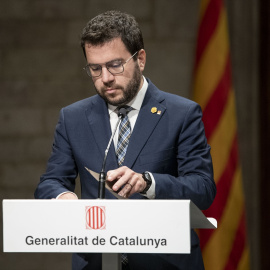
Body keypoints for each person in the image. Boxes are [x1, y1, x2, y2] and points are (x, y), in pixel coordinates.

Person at [35, 10, 216, 270]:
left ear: (140, 59)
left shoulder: (182, 114)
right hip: (96, 262)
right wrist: (63, 197)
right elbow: (50, 182)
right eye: (95, 69)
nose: (105, 78)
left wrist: (147, 183)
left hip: (164, 263)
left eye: (115, 65)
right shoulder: (72, 118)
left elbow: (203, 189)